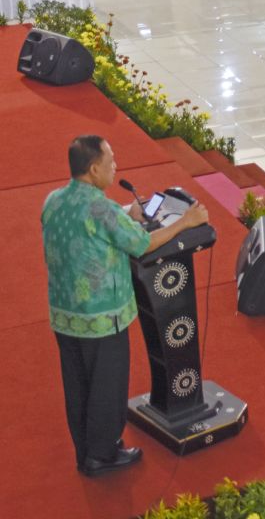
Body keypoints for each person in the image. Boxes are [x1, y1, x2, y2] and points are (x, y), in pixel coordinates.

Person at [43, 136, 208, 476]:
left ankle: (85, 449)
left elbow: (84, 224)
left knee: (78, 386)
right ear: (92, 169)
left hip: (64, 316)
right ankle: (101, 456)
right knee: (106, 386)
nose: (115, 166)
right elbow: (143, 243)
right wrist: (186, 223)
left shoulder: (54, 200)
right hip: (102, 318)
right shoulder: (101, 209)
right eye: (110, 161)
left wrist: (123, 212)